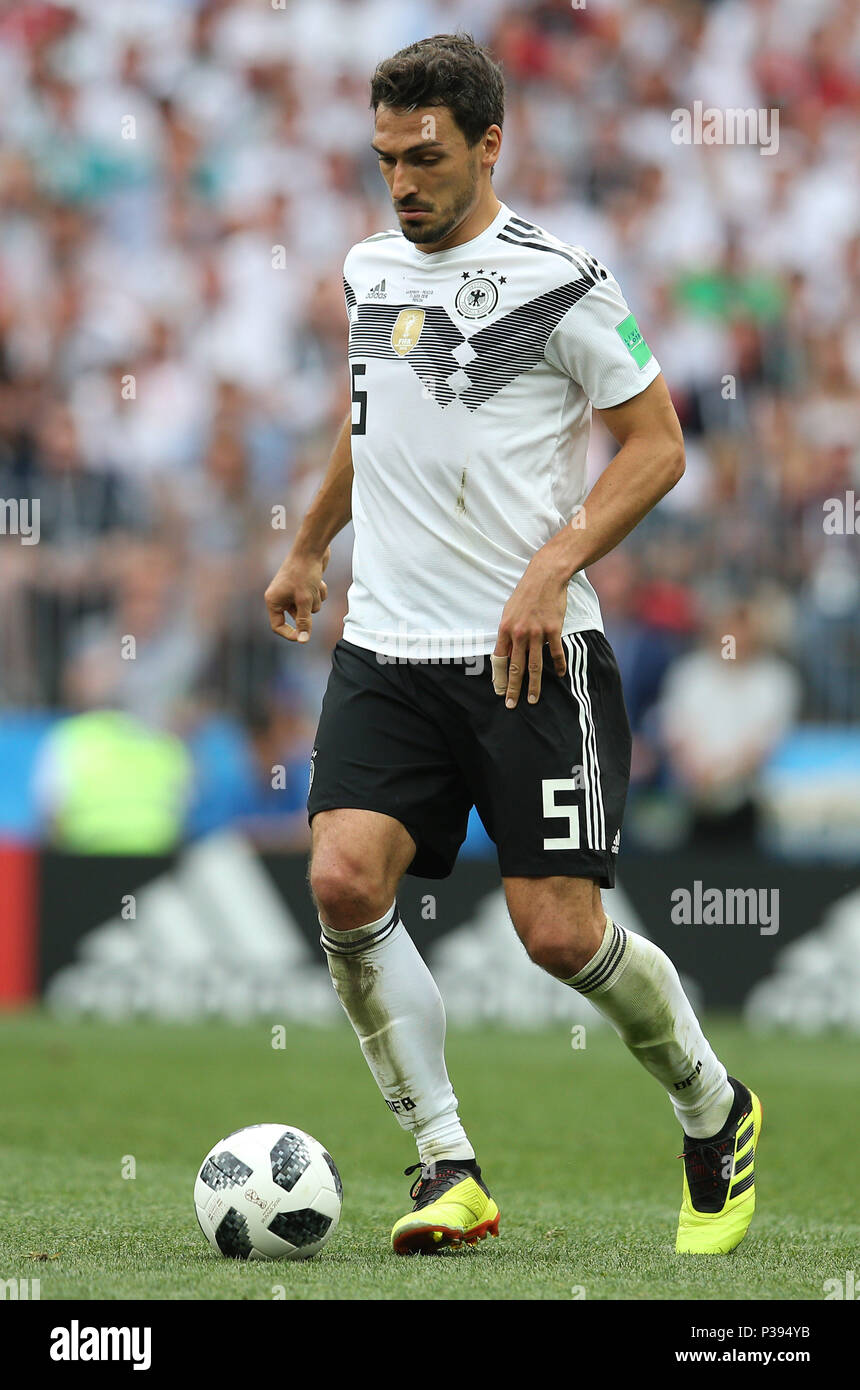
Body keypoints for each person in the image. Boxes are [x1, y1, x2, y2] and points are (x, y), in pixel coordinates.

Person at [265, 34, 761, 1257]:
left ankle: (713, 1105)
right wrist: (308, 544)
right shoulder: (370, 266)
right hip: (386, 646)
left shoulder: (563, 280)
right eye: (384, 158)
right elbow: (371, 414)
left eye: (424, 157)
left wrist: (552, 568)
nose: (402, 182)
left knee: (557, 932)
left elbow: (654, 444)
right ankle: (445, 1162)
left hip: (528, 656)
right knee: (339, 879)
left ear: (489, 144)